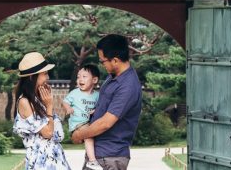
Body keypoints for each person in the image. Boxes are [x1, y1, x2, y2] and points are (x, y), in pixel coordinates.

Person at [71, 35, 142, 170]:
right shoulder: (113, 77)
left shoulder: (127, 86)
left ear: (115, 60)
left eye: (103, 61)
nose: (102, 65)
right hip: (100, 155)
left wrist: (78, 135)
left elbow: (105, 123)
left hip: (109, 157)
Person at [13, 52, 71, 170]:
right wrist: (49, 105)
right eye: (44, 74)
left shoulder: (38, 99)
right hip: (41, 161)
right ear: (31, 77)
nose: (48, 78)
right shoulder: (24, 102)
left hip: (54, 157)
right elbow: (48, 133)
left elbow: (56, 132)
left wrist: (47, 104)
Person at [62, 64, 102, 170]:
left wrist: (95, 110)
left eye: (84, 76)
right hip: (77, 123)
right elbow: (65, 102)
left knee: (92, 134)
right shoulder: (75, 93)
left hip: (88, 123)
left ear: (94, 80)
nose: (80, 79)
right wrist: (68, 108)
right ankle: (92, 161)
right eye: (78, 76)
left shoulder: (97, 95)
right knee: (89, 135)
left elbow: (101, 107)